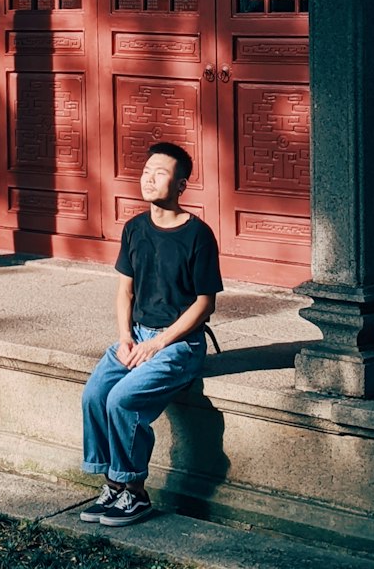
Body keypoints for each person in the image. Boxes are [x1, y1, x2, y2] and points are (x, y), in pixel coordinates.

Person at [80, 141, 222, 527]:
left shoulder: (198, 235)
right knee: (95, 393)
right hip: (138, 335)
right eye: (146, 171)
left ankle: (135, 492)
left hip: (180, 344)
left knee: (123, 400)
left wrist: (159, 343)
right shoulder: (134, 229)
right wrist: (126, 337)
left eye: (160, 172)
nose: (148, 178)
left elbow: (204, 304)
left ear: (181, 185)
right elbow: (124, 290)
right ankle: (114, 486)